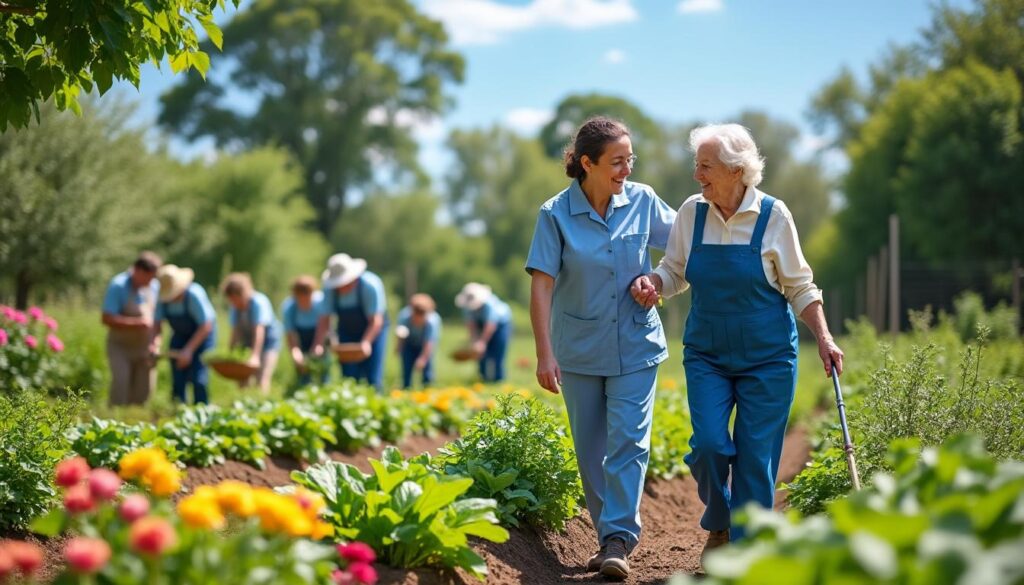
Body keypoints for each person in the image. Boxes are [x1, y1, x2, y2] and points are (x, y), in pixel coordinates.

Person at [632, 123, 844, 563]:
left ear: (735, 170)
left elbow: (800, 287)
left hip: (767, 358)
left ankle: (743, 557)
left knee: (755, 458)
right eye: (697, 165)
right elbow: (674, 271)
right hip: (708, 353)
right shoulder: (692, 213)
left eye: (705, 166)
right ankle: (721, 520)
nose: (697, 176)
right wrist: (654, 282)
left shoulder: (774, 216)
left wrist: (823, 336)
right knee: (709, 445)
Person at [526, 116, 676, 579]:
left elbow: (686, 248)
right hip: (580, 349)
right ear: (586, 163)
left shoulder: (644, 201)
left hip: (636, 341)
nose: (625, 170)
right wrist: (544, 352)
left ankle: (617, 539)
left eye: (630, 160)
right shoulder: (555, 214)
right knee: (590, 449)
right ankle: (606, 533)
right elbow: (542, 288)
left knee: (629, 440)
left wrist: (658, 281)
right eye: (616, 161)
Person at [313, 253, 389, 393]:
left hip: (373, 331)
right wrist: (318, 344)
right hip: (346, 331)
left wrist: (365, 342)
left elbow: (376, 321)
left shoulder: (370, 285)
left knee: (373, 376)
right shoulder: (330, 290)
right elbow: (324, 319)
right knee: (349, 376)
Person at [102, 251, 162, 406]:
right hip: (120, 347)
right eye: (148, 277)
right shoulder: (118, 285)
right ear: (138, 271)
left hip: (144, 348)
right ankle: (112, 421)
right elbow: (106, 318)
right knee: (121, 385)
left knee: (143, 392)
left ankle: (134, 423)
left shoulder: (155, 287)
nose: (150, 281)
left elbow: (158, 321)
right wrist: (137, 323)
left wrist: (155, 343)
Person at [152, 264, 216, 404]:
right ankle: (178, 410)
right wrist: (155, 344)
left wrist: (188, 351)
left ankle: (202, 409)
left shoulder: (194, 295)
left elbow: (206, 326)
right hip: (180, 335)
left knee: (199, 379)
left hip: (202, 336)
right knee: (178, 378)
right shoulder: (162, 299)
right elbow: (157, 325)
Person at [220, 272, 282, 394]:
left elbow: (259, 331)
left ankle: (262, 407)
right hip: (248, 341)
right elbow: (236, 332)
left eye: (235, 300)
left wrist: (255, 356)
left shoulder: (258, 302)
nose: (234, 303)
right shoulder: (235, 308)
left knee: (261, 377)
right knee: (242, 379)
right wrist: (230, 354)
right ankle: (245, 406)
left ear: (242, 293)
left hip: (268, 342)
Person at [455, 283, 512, 383]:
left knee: (497, 353)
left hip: (501, 325)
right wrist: (474, 342)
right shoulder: (467, 307)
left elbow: (490, 325)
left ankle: (498, 380)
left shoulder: (490, 305)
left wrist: (482, 342)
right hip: (481, 325)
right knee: (480, 354)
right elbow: (471, 325)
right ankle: (483, 378)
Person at [281, 275, 328, 388]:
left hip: (320, 336)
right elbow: (290, 334)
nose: (304, 302)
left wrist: (318, 345)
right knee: (303, 371)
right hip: (301, 338)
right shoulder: (289, 308)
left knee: (323, 369)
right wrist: (295, 352)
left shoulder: (321, 303)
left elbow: (324, 326)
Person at [395, 293, 441, 389]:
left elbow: (429, 342)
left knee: (427, 369)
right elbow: (401, 334)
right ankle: (406, 389)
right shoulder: (404, 317)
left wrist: (423, 359)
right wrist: (399, 347)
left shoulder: (432, 322)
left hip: (425, 345)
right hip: (409, 343)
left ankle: (427, 389)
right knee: (406, 368)